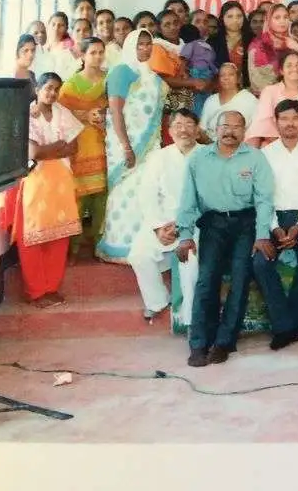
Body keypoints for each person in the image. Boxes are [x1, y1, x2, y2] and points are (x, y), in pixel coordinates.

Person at [175, 110, 275, 367]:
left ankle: (224, 342)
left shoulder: (255, 158)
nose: (230, 131)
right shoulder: (199, 159)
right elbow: (188, 199)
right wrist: (185, 235)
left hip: (245, 223)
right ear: (214, 129)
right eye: (225, 126)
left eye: (236, 127)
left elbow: (264, 199)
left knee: (240, 278)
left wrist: (262, 235)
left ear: (244, 130)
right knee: (207, 279)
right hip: (213, 224)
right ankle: (199, 343)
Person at [252, 99, 298, 350]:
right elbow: (262, 196)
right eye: (284, 119)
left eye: (294, 118)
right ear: (276, 123)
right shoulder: (265, 154)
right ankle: (286, 325)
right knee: (260, 263)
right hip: (273, 216)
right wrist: (274, 227)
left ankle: (286, 326)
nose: (290, 123)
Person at [7, 73, 83, 307]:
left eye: (56, 89)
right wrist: (57, 147)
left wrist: (49, 149)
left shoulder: (62, 112)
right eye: (48, 88)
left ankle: (51, 288)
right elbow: (34, 153)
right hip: (35, 181)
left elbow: (74, 146)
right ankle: (36, 291)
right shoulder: (27, 114)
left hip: (61, 181)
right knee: (34, 237)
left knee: (59, 235)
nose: (52, 93)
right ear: (38, 89)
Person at [99, 31, 166, 263]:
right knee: (124, 194)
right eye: (140, 45)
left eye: (149, 45)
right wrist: (127, 147)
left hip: (150, 146)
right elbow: (116, 111)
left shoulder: (152, 76)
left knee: (148, 192)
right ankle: (119, 246)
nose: (145, 49)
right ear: (130, 46)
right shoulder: (121, 71)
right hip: (125, 145)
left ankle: (144, 247)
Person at [129, 109, 201, 324]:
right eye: (178, 125)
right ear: (169, 131)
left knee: (191, 260)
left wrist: (184, 223)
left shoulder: (207, 155)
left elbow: (211, 196)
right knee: (139, 254)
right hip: (164, 221)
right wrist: (159, 227)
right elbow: (147, 194)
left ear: (197, 130)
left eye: (189, 124)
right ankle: (158, 302)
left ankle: (190, 318)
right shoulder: (159, 157)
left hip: (196, 223)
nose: (183, 129)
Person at [57, 38, 111, 259]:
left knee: (101, 195)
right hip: (79, 145)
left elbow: (120, 109)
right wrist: (85, 116)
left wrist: (103, 117)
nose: (98, 57)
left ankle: (100, 243)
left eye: (101, 52)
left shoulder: (109, 81)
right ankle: (73, 247)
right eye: (93, 53)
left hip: (103, 143)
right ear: (82, 56)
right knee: (77, 198)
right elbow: (61, 115)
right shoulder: (71, 85)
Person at [246, 52, 298, 147]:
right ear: (281, 71)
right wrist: (283, 142)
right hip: (275, 140)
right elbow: (262, 124)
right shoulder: (269, 91)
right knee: (262, 144)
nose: (294, 69)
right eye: (289, 65)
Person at [199, 63, 258, 140]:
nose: (226, 78)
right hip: (211, 146)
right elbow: (202, 129)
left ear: (238, 78)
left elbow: (255, 131)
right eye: (222, 75)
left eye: (231, 74)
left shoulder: (250, 99)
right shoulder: (211, 100)